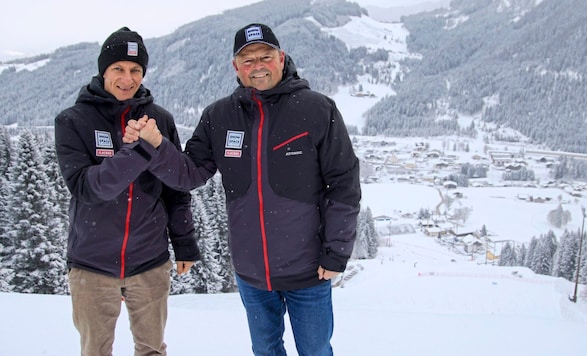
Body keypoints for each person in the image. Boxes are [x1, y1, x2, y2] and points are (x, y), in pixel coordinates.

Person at [124, 23, 361, 355]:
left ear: (281, 58)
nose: (258, 66)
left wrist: (336, 253)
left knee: (316, 350)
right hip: (251, 273)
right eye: (247, 60)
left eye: (265, 56)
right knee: (264, 350)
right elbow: (189, 174)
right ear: (236, 67)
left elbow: (343, 185)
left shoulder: (317, 109)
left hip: (308, 270)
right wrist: (157, 146)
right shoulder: (219, 116)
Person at [54, 27, 201, 356]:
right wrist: (141, 150)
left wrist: (185, 243)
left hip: (149, 262)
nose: (127, 78)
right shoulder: (73, 120)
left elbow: (175, 189)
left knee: (152, 350)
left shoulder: (159, 119)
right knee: (95, 351)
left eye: (135, 70)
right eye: (118, 68)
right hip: (92, 264)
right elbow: (88, 188)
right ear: (103, 71)